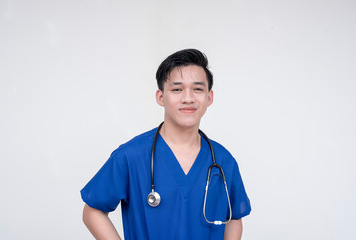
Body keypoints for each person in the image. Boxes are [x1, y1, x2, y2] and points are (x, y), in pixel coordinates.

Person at [81, 49, 251, 240]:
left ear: (209, 97)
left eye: (198, 89)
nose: (188, 98)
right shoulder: (131, 156)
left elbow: (235, 217)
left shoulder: (223, 160)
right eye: (177, 89)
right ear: (160, 97)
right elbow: (92, 210)